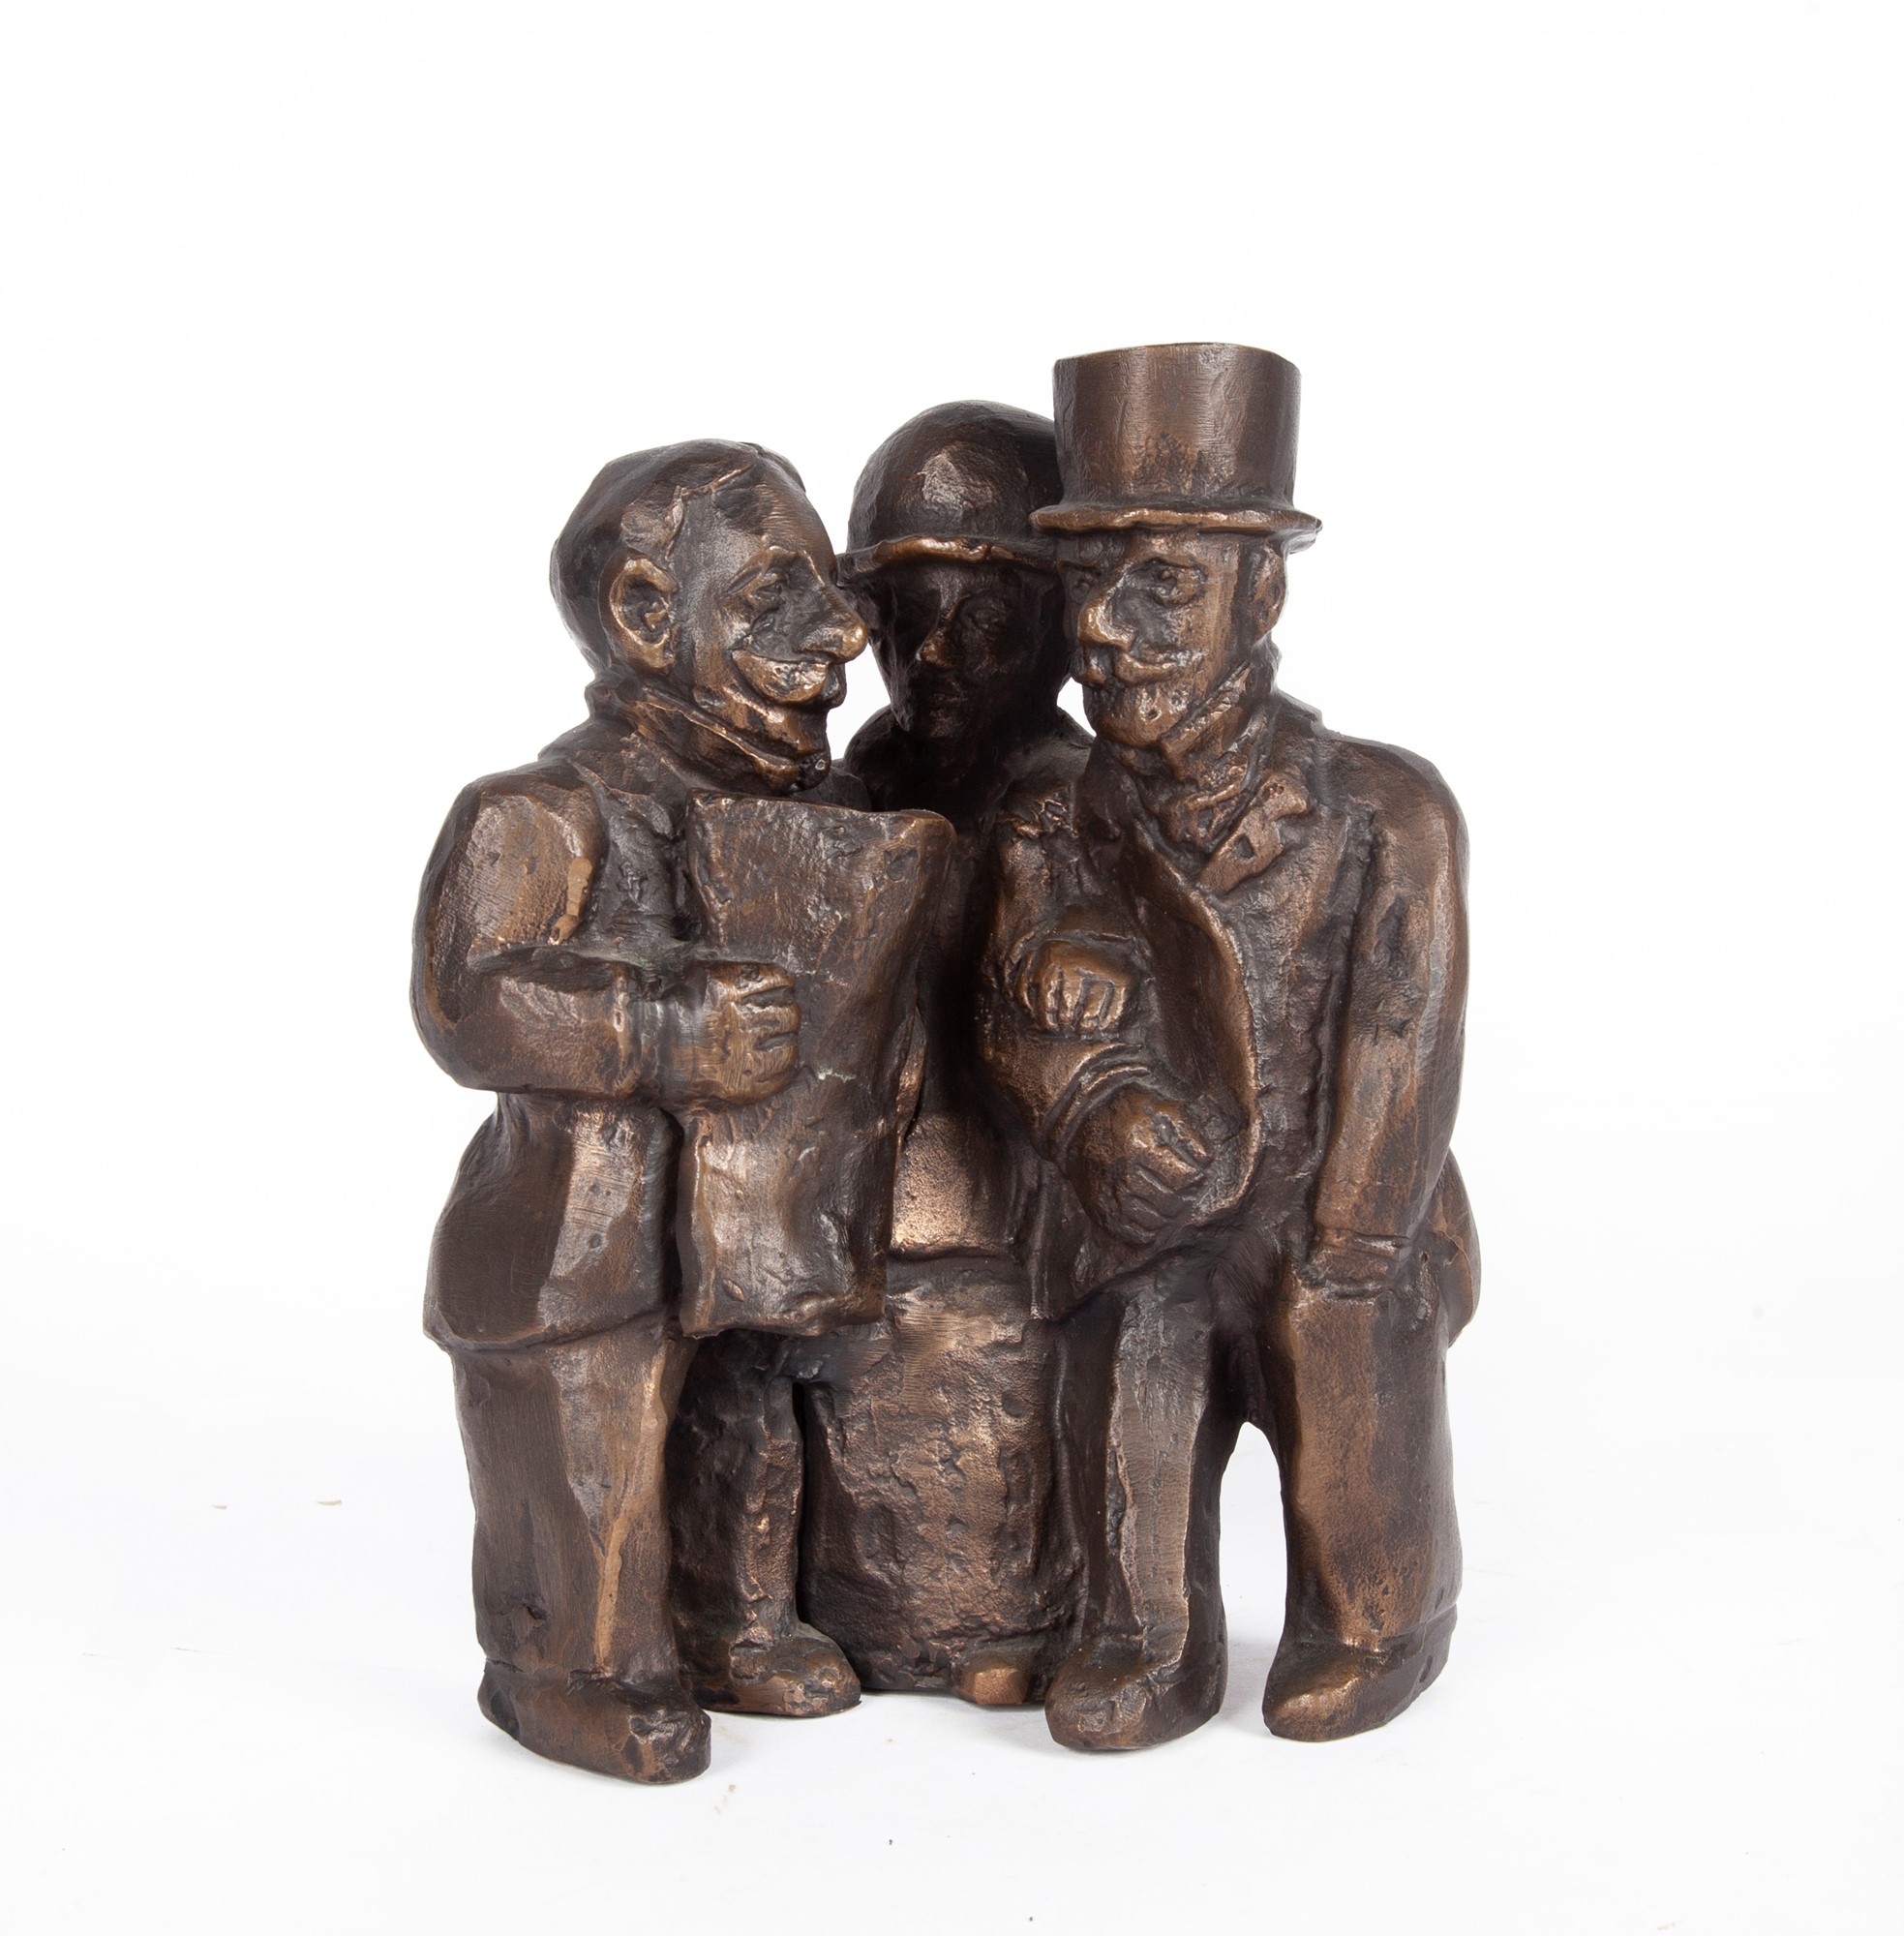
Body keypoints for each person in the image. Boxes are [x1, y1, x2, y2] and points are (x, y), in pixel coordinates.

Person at [978, 343, 1480, 1752]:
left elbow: (1406, 1029)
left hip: (1331, 1213)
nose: (1107, 630)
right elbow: (1004, 1015)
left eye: (1163, 587)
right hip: (1146, 1225)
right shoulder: (1052, 816)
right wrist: (1090, 1109)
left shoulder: (1384, 809)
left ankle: (1376, 1621)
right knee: (1132, 1394)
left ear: (1261, 595)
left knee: (1347, 1379)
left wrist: (1358, 1242)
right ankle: (1146, 1639)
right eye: (1085, 586)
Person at [412, 440, 868, 1783]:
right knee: (591, 1474)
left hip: (741, 1236)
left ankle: (732, 1624)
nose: (844, 631)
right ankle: (576, 1671)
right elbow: (468, 1000)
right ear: (645, 617)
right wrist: (668, 1025)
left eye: (833, 588)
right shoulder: (540, 815)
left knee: (746, 1425)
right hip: (581, 1251)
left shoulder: (811, 814)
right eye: (778, 594)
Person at [668, 403, 1090, 1708]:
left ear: (1060, 625)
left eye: (985, 619)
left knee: (998, 1422)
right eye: (905, 616)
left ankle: (1022, 1627)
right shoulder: (841, 774)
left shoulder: (1079, 798)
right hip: (843, 1200)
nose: (935, 654)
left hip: (1003, 1211)